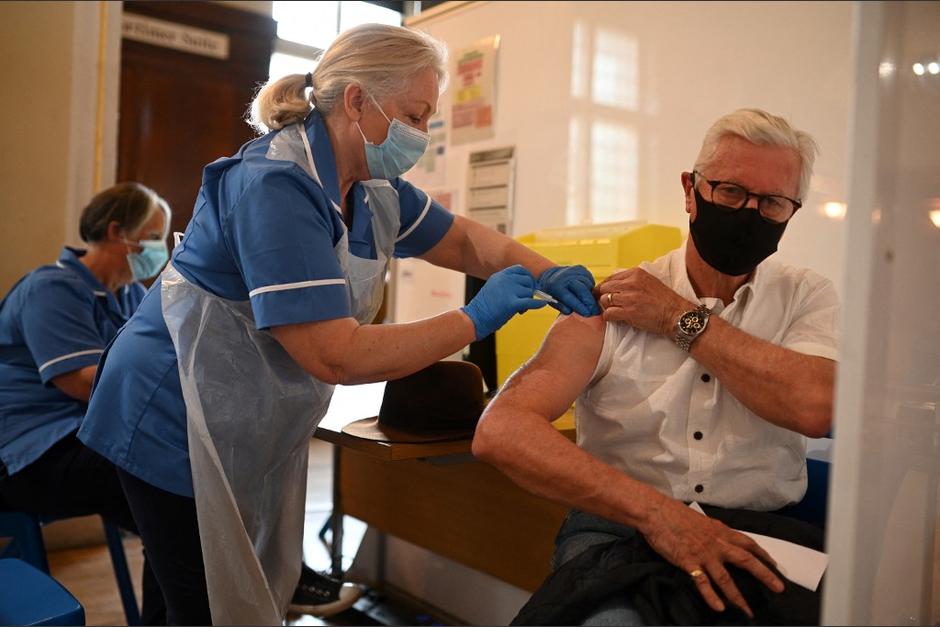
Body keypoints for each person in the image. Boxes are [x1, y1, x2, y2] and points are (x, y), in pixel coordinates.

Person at [76, 23, 600, 626]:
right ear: (356, 101)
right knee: (205, 602)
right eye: (414, 114)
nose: (421, 134)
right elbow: (336, 356)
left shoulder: (372, 188)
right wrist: (473, 317)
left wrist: (547, 271)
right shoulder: (276, 185)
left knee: (189, 591)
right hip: (171, 409)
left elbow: (463, 240)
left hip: (232, 409)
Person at [473, 109, 839, 625]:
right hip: (620, 528)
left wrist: (675, 317)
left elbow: (813, 408)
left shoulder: (806, 296)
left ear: (791, 212)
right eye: (731, 192)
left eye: (772, 202)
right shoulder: (618, 299)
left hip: (759, 534)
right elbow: (501, 431)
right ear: (691, 191)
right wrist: (661, 516)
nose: (749, 212)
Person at [0, 181, 171, 624]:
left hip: (81, 440)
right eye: (152, 237)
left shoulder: (130, 296)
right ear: (117, 231)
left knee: (176, 507)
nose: (158, 250)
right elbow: (79, 382)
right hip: (28, 453)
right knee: (165, 489)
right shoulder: (51, 289)